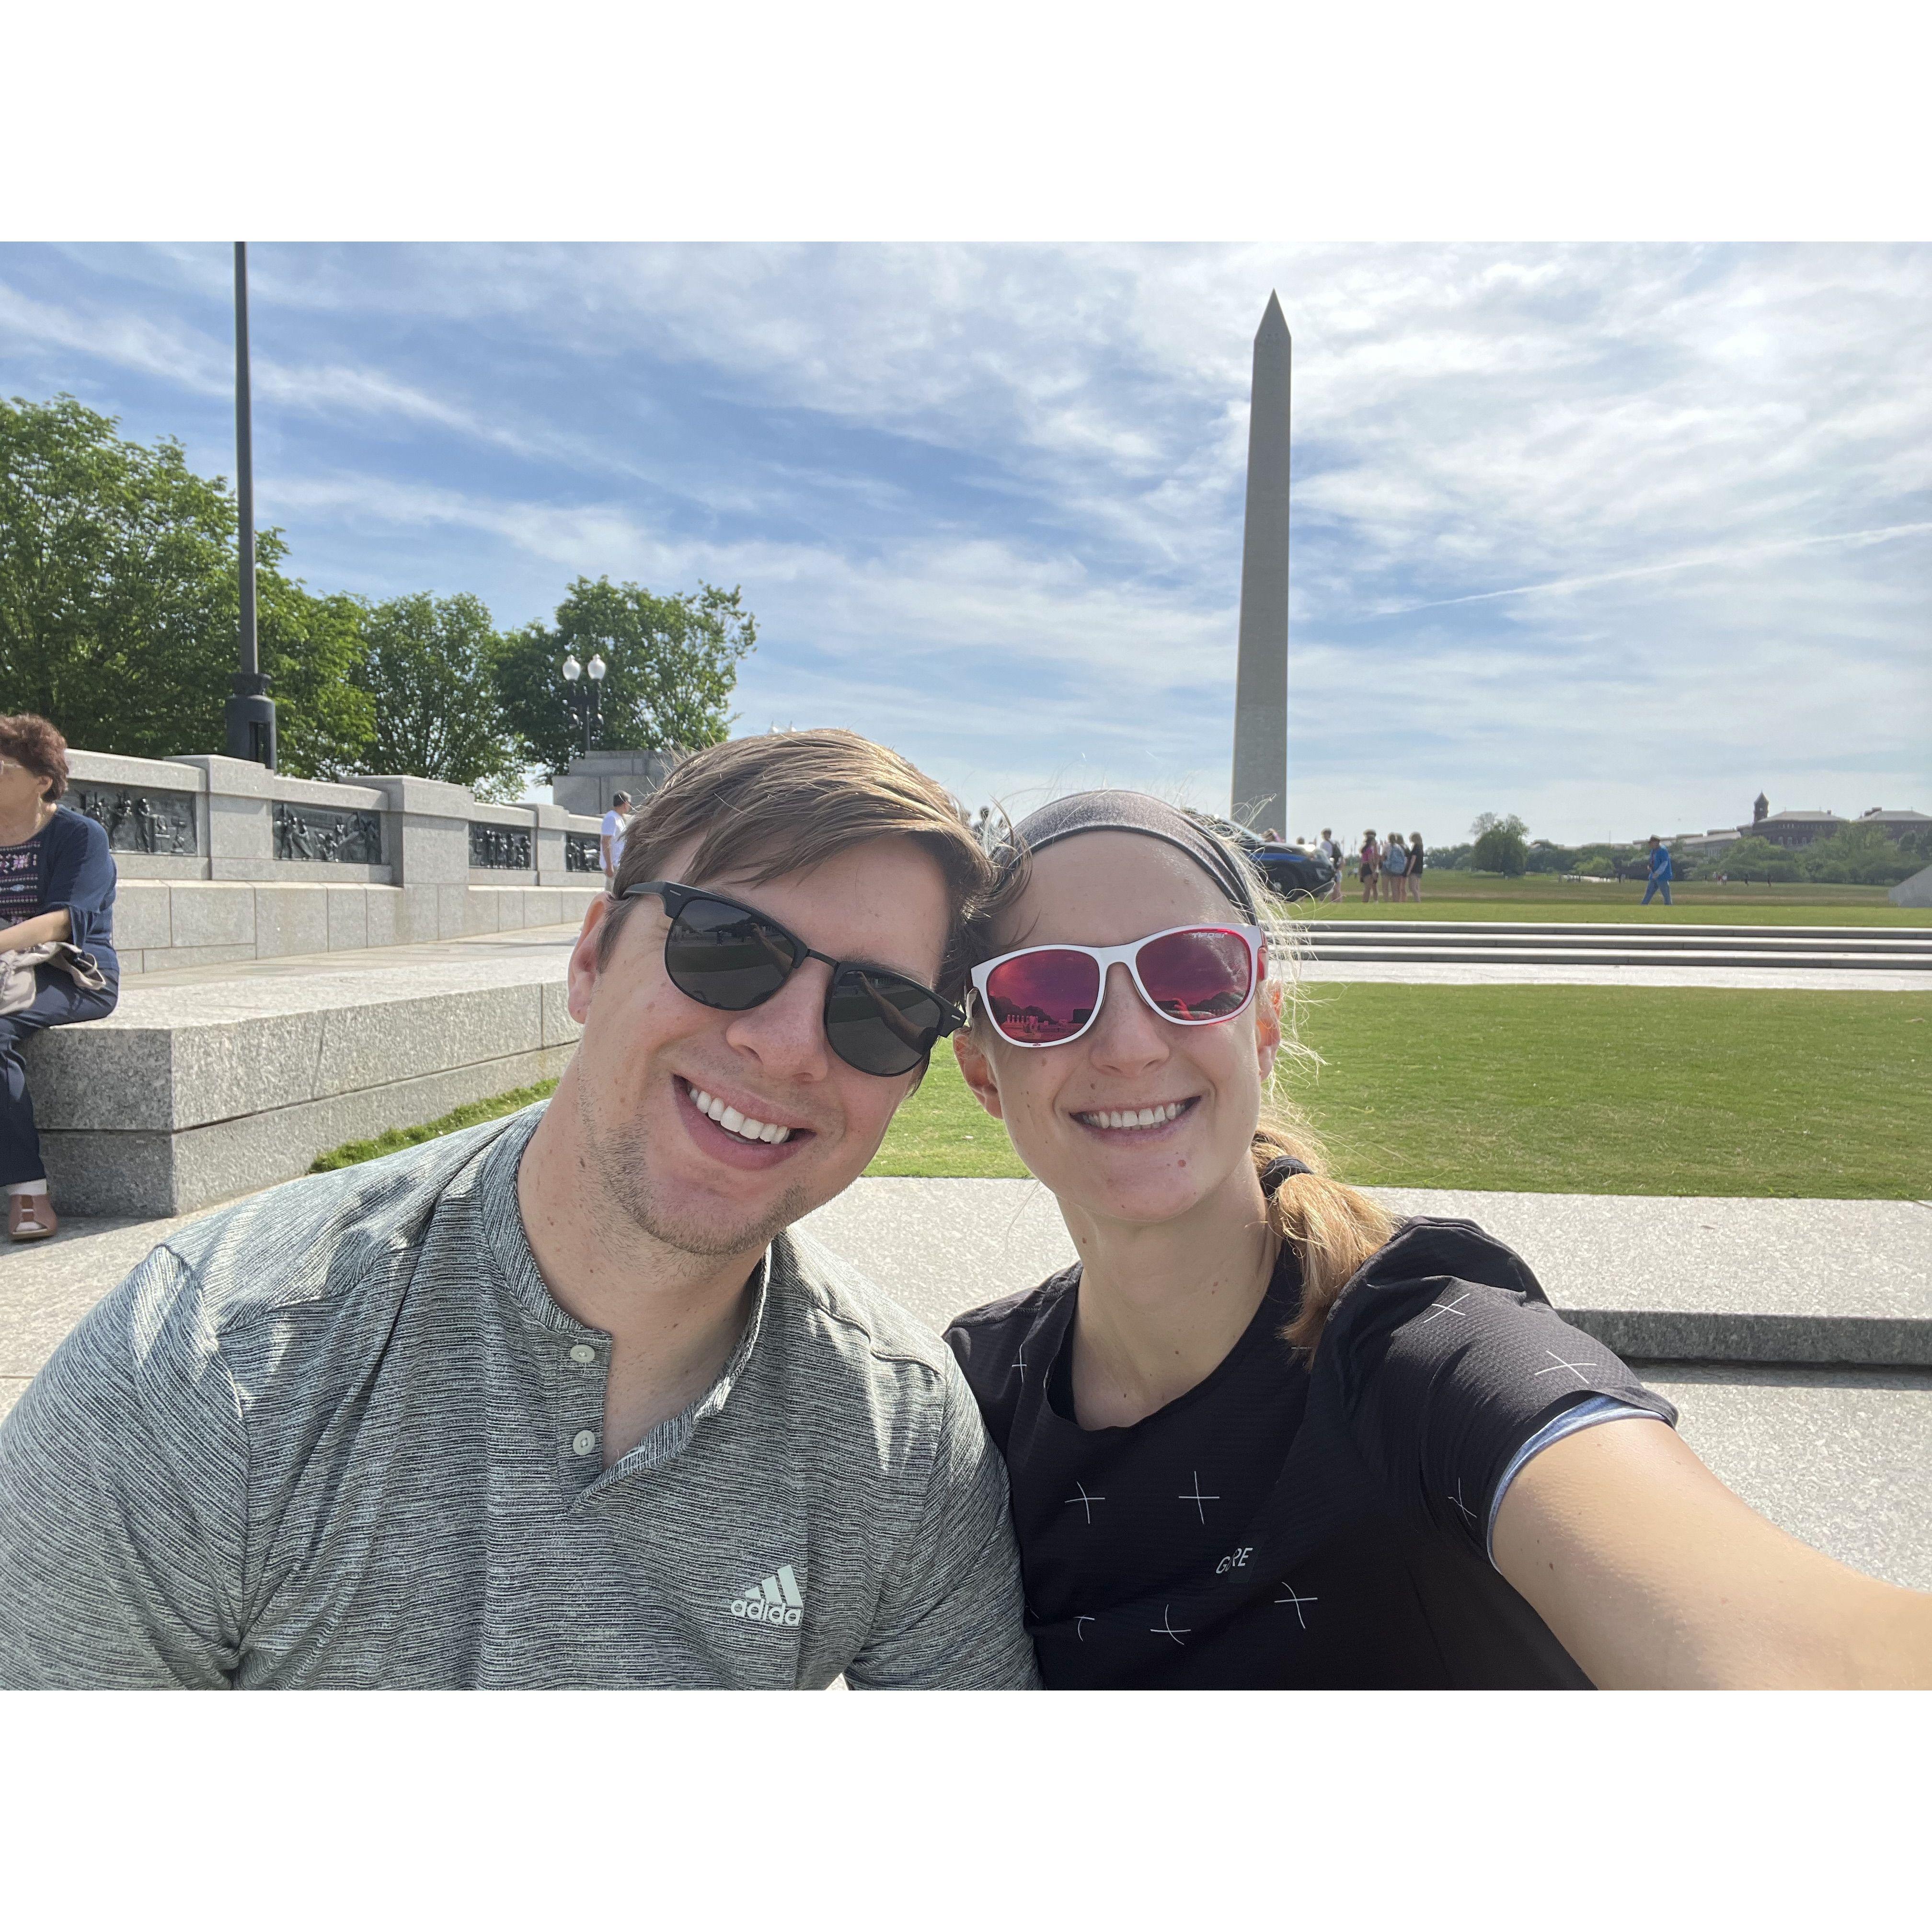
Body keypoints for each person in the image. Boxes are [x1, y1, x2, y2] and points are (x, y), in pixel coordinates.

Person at [0, 729, 1035, 1689]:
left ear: (910, 1079)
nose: (793, 1044)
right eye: (729, 947)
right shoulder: (210, 1365)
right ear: (590, 959)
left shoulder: (901, 1435)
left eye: (883, 1011)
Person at [943, 791, 1932, 1687]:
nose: (1130, 1042)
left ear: (1264, 1022)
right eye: (1047, 997)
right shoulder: (969, 1397)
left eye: (1193, 973)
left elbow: (1793, 1649)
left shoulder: (1427, 1350)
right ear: (984, 1075)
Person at [0, 716, 119, 1243]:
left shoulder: (79, 836)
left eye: (2, 771)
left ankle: (28, 1192)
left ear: (41, 781)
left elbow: (63, 919)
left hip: (70, 975)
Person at [600, 790, 632, 881]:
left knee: (612, 894)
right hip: (613, 865)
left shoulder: (619, 819)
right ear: (625, 803)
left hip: (619, 864)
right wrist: (609, 867)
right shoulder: (611, 818)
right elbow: (606, 842)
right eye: (630, 803)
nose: (630, 806)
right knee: (614, 894)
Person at [1642, 835, 1673, 906]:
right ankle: (1643, 906)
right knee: (1649, 892)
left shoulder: (1663, 850)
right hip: (1654, 876)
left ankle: (1669, 908)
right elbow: (1653, 861)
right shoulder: (1653, 851)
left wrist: (1658, 873)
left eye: (1651, 842)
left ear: (1656, 842)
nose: (1650, 844)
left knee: (1666, 895)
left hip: (1662, 877)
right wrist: (1650, 866)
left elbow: (1665, 863)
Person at [1380, 826, 1408, 897]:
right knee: (1395, 888)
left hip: (1387, 868)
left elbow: (1383, 857)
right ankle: (1396, 902)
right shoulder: (1399, 847)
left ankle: (1387, 901)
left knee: (1385, 887)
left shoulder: (1387, 846)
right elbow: (1404, 858)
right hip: (1397, 869)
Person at [1316, 828, 1343, 902]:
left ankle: (1323, 900)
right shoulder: (1336, 843)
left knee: (1326, 886)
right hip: (1337, 867)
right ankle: (1338, 902)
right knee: (1337, 887)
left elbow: (1325, 856)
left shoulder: (1324, 844)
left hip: (1329, 867)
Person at [1358, 828, 1380, 902]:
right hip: (1369, 867)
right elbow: (1370, 861)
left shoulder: (1365, 849)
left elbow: (1362, 860)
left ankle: (1366, 901)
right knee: (1369, 887)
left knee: (1368, 887)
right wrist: (1373, 871)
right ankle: (1366, 901)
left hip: (1364, 867)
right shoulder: (1370, 850)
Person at [1406, 831, 1425, 902]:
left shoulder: (1416, 848)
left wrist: (1409, 871)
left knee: (1412, 887)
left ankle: (1418, 901)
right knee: (1417, 888)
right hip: (1419, 870)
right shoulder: (1421, 848)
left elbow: (1413, 860)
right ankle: (1418, 901)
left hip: (1414, 870)